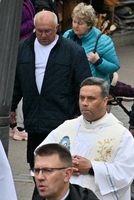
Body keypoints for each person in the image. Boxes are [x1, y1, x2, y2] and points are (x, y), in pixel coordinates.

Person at [42, 77, 134, 200]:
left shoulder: (120, 134)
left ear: (105, 100)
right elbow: (41, 156)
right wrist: (64, 164)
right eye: (81, 98)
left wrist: (93, 168)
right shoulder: (66, 127)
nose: (84, 103)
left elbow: (126, 171)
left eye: (91, 99)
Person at [12, 11, 92, 169]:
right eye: (39, 31)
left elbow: (83, 85)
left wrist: (79, 112)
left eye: (47, 31)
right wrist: (11, 107)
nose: (43, 35)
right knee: (36, 164)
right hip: (34, 119)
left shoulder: (73, 51)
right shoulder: (23, 49)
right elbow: (16, 82)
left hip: (62, 120)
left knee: (59, 166)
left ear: (57, 28)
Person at [63, 2, 120, 84]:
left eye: (80, 23)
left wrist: (98, 62)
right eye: (74, 22)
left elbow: (115, 66)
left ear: (89, 25)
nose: (75, 26)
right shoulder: (67, 36)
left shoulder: (102, 41)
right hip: (71, 86)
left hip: (94, 88)